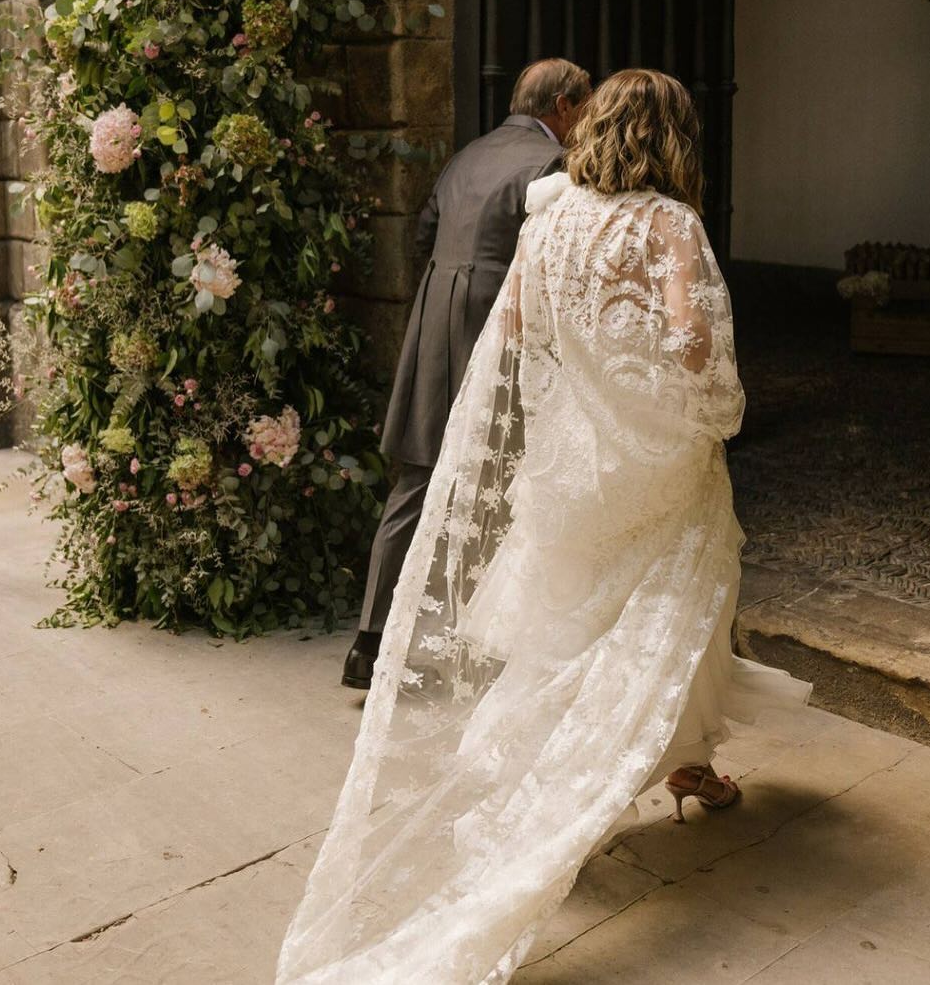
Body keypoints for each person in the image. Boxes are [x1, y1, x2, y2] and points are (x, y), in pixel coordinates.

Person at [282, 69, 808, 985]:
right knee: (672, 613)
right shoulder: (669, 223)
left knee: (570, 628)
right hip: (655, 462)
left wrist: (591, 378)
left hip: (570, 466)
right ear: (671, 138)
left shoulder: (551, 216)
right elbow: (691, 341)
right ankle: (588, 791)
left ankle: (658, 769)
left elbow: (522, 324)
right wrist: (660, 386)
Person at [341, 57, 592, 691]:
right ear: (564, 107)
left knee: (417, 477)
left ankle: (369, 643)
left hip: (434, 325)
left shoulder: (466, 155)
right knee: (508, 478)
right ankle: (488, 641)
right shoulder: (554, 165)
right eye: (585, 107)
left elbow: (424, 236)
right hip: (498, 330)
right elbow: (554, 264)